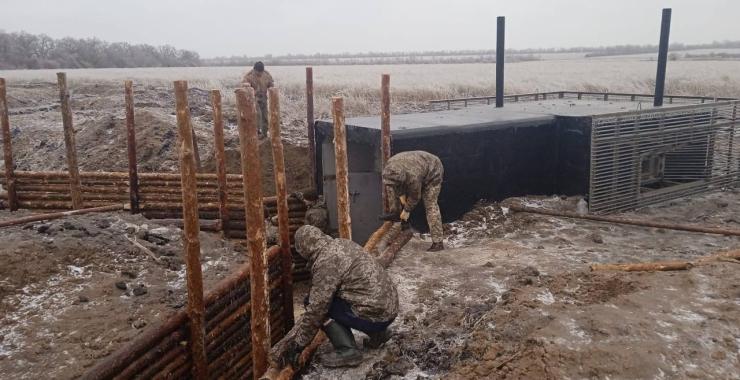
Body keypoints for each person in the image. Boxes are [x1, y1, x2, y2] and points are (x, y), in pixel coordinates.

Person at [270, 225, 399, 368]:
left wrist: (298, 345)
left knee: (318, 306)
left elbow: (316, 310)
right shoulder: (341, 243)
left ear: (304, 248)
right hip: (390, 308)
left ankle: (348, 351)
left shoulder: (325, 263)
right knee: (345, 300)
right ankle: (378, 334)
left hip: (377, 315)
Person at [382, 150, 445, 252]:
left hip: (433, 171)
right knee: (392, 190)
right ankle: (398, 219)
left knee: (430, 204)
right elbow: (396, 185)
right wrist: (401, 199)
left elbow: (415, 197)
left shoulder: (413, 176)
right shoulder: (389, 168)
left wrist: (406, 210)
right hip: (418, 166)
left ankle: (438, 242)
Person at [241, 61, 274, 136]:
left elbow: (271, 84)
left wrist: (272, 87)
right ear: (254, 70)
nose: (260, 74)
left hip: (264, 97)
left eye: (261, 72)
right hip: (254, 98)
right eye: (258, 72)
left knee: (265, 116)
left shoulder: (266, 74)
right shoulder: (248, 75)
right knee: (257, 115)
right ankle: (256, 132)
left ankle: (264, 134)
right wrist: (246, 85)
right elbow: (244, 85)